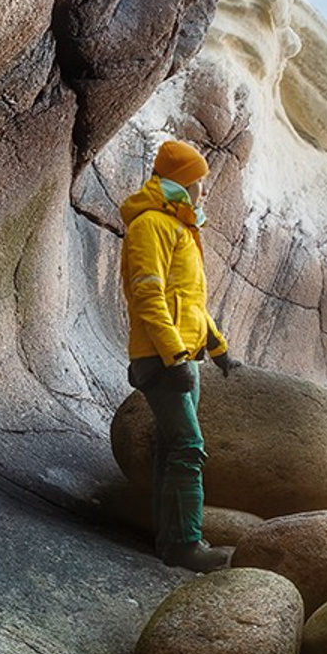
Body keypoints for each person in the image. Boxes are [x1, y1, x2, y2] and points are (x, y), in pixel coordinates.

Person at [120, 138, 238, 571]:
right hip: (161, 358)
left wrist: (218, 349)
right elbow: (147, 296)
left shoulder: (183, 228)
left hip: (185, 356)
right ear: (182, 182)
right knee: (189, 446)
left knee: (172, 448)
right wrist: (172, 359)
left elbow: (190, 303)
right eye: (200, 182)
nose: (204, 191)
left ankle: (170, 543)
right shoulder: (150, 225)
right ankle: (187, 544)